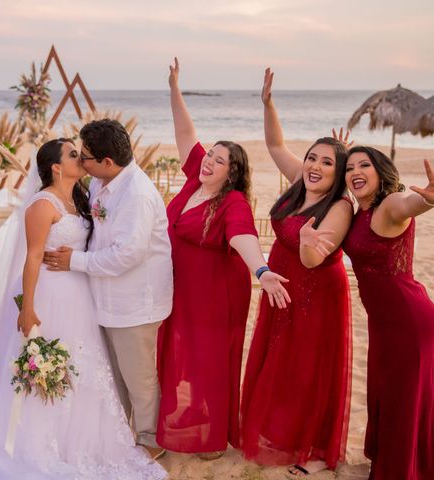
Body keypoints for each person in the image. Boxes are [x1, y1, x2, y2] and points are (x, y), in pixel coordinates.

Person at [0, 138, 166, 479]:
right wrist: (28, 308)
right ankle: (36, 442)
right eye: (74, 154)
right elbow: (33, 257)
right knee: (45, 364)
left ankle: (79, 440)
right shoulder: (42, 204)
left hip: (80, 294)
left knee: (82, 364)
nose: (83, 158)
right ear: (56, 167)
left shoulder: (82, 197)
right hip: (48, 293)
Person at [156, 58, 290, 460]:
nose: (209, 161)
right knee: (178, 349)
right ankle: (183, 419)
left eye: (219, 160)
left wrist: (262, 269)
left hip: (216, 291)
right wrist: (175, 87)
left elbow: (244, 237)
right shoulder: (195, 174)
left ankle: (210, 434)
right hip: (181, 286)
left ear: (231, 173)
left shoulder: (231, 201)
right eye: (209, 154)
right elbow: (185, 131)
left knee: (208, 356)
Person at [240, 68, 353, 477]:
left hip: (315, 291)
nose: (315, 166)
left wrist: (307, 241)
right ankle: (280, 432)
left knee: (308, 368)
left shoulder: (339, 207)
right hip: (281, 286)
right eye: (312, 158)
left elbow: (313, 261)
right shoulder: (297, 183)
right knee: (280, 361)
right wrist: (268, 103)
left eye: (327, 162)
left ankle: (314, 449)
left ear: (338, 173)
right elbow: (274, 142)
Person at [43, 119, 174, 460]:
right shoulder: (105, 182)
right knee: (116, 376)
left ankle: (150, 439)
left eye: (85, 156)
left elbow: (125, 256)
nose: (80, 161)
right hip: (107, 300)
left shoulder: (137, 195)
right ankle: (122, 433)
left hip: (134, 303)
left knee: (138, 377)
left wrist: (75, 261)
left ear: (107, 162)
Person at [339, 147, 433, 480]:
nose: (356, 171)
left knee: (403, 400)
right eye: (350, 167)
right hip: (382, 324)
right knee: (388, 394)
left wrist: (429, 200)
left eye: (365, 165)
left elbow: (409, 204)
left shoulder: (388, 205)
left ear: (381, 172)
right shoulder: (357, 211)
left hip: (408, 322)